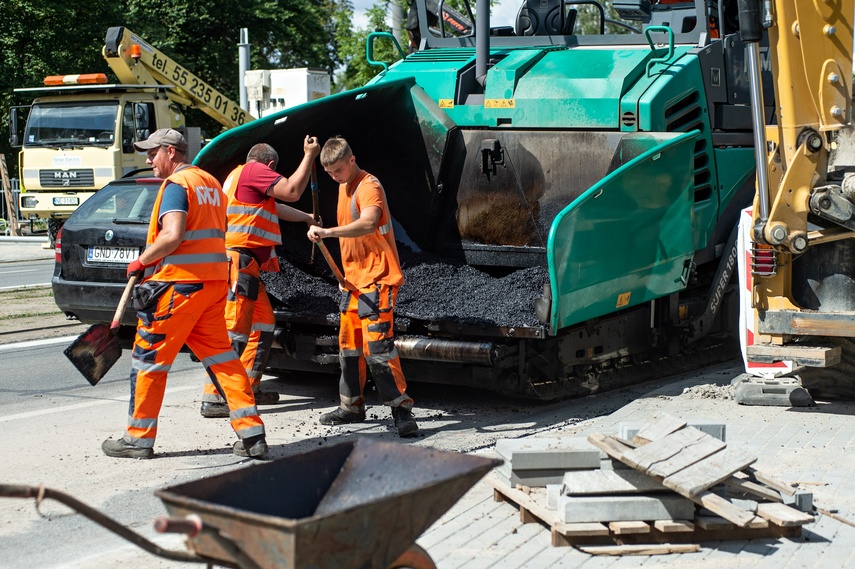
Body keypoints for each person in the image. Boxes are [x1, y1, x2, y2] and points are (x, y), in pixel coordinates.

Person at [101, 128, 268, 459]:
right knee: (223, 359)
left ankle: (138, 438)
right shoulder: (212, 185)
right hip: (213, 286)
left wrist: (141, 261)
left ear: (171, 152)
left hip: (180, 288)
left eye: (153, 153)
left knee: (149, 360)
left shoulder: (178, 185)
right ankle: (253, 436)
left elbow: (174, 234)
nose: (148, 160)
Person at [200, 139, 320, 418]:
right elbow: (291, 191)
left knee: (263, 323)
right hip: (238, 263)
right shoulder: (254, 171)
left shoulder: (238, 177)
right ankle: (217, 396)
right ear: (269, 166)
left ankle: (247, 387)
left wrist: (305, 217)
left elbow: (274, 207)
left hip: (246, 266)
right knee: (235, 331)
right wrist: (309, 155)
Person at [307, 136, 418, 437]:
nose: (334, 177)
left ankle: (401, 411)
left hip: (377, 278)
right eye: (329, 173)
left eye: (339, 170)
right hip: (353, 282)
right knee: (349, 346)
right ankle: (351, 407)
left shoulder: (369, 186)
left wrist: (328, 231)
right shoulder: (343, 187)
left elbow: (369, 222)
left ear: (352, 160)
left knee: (379, 348)